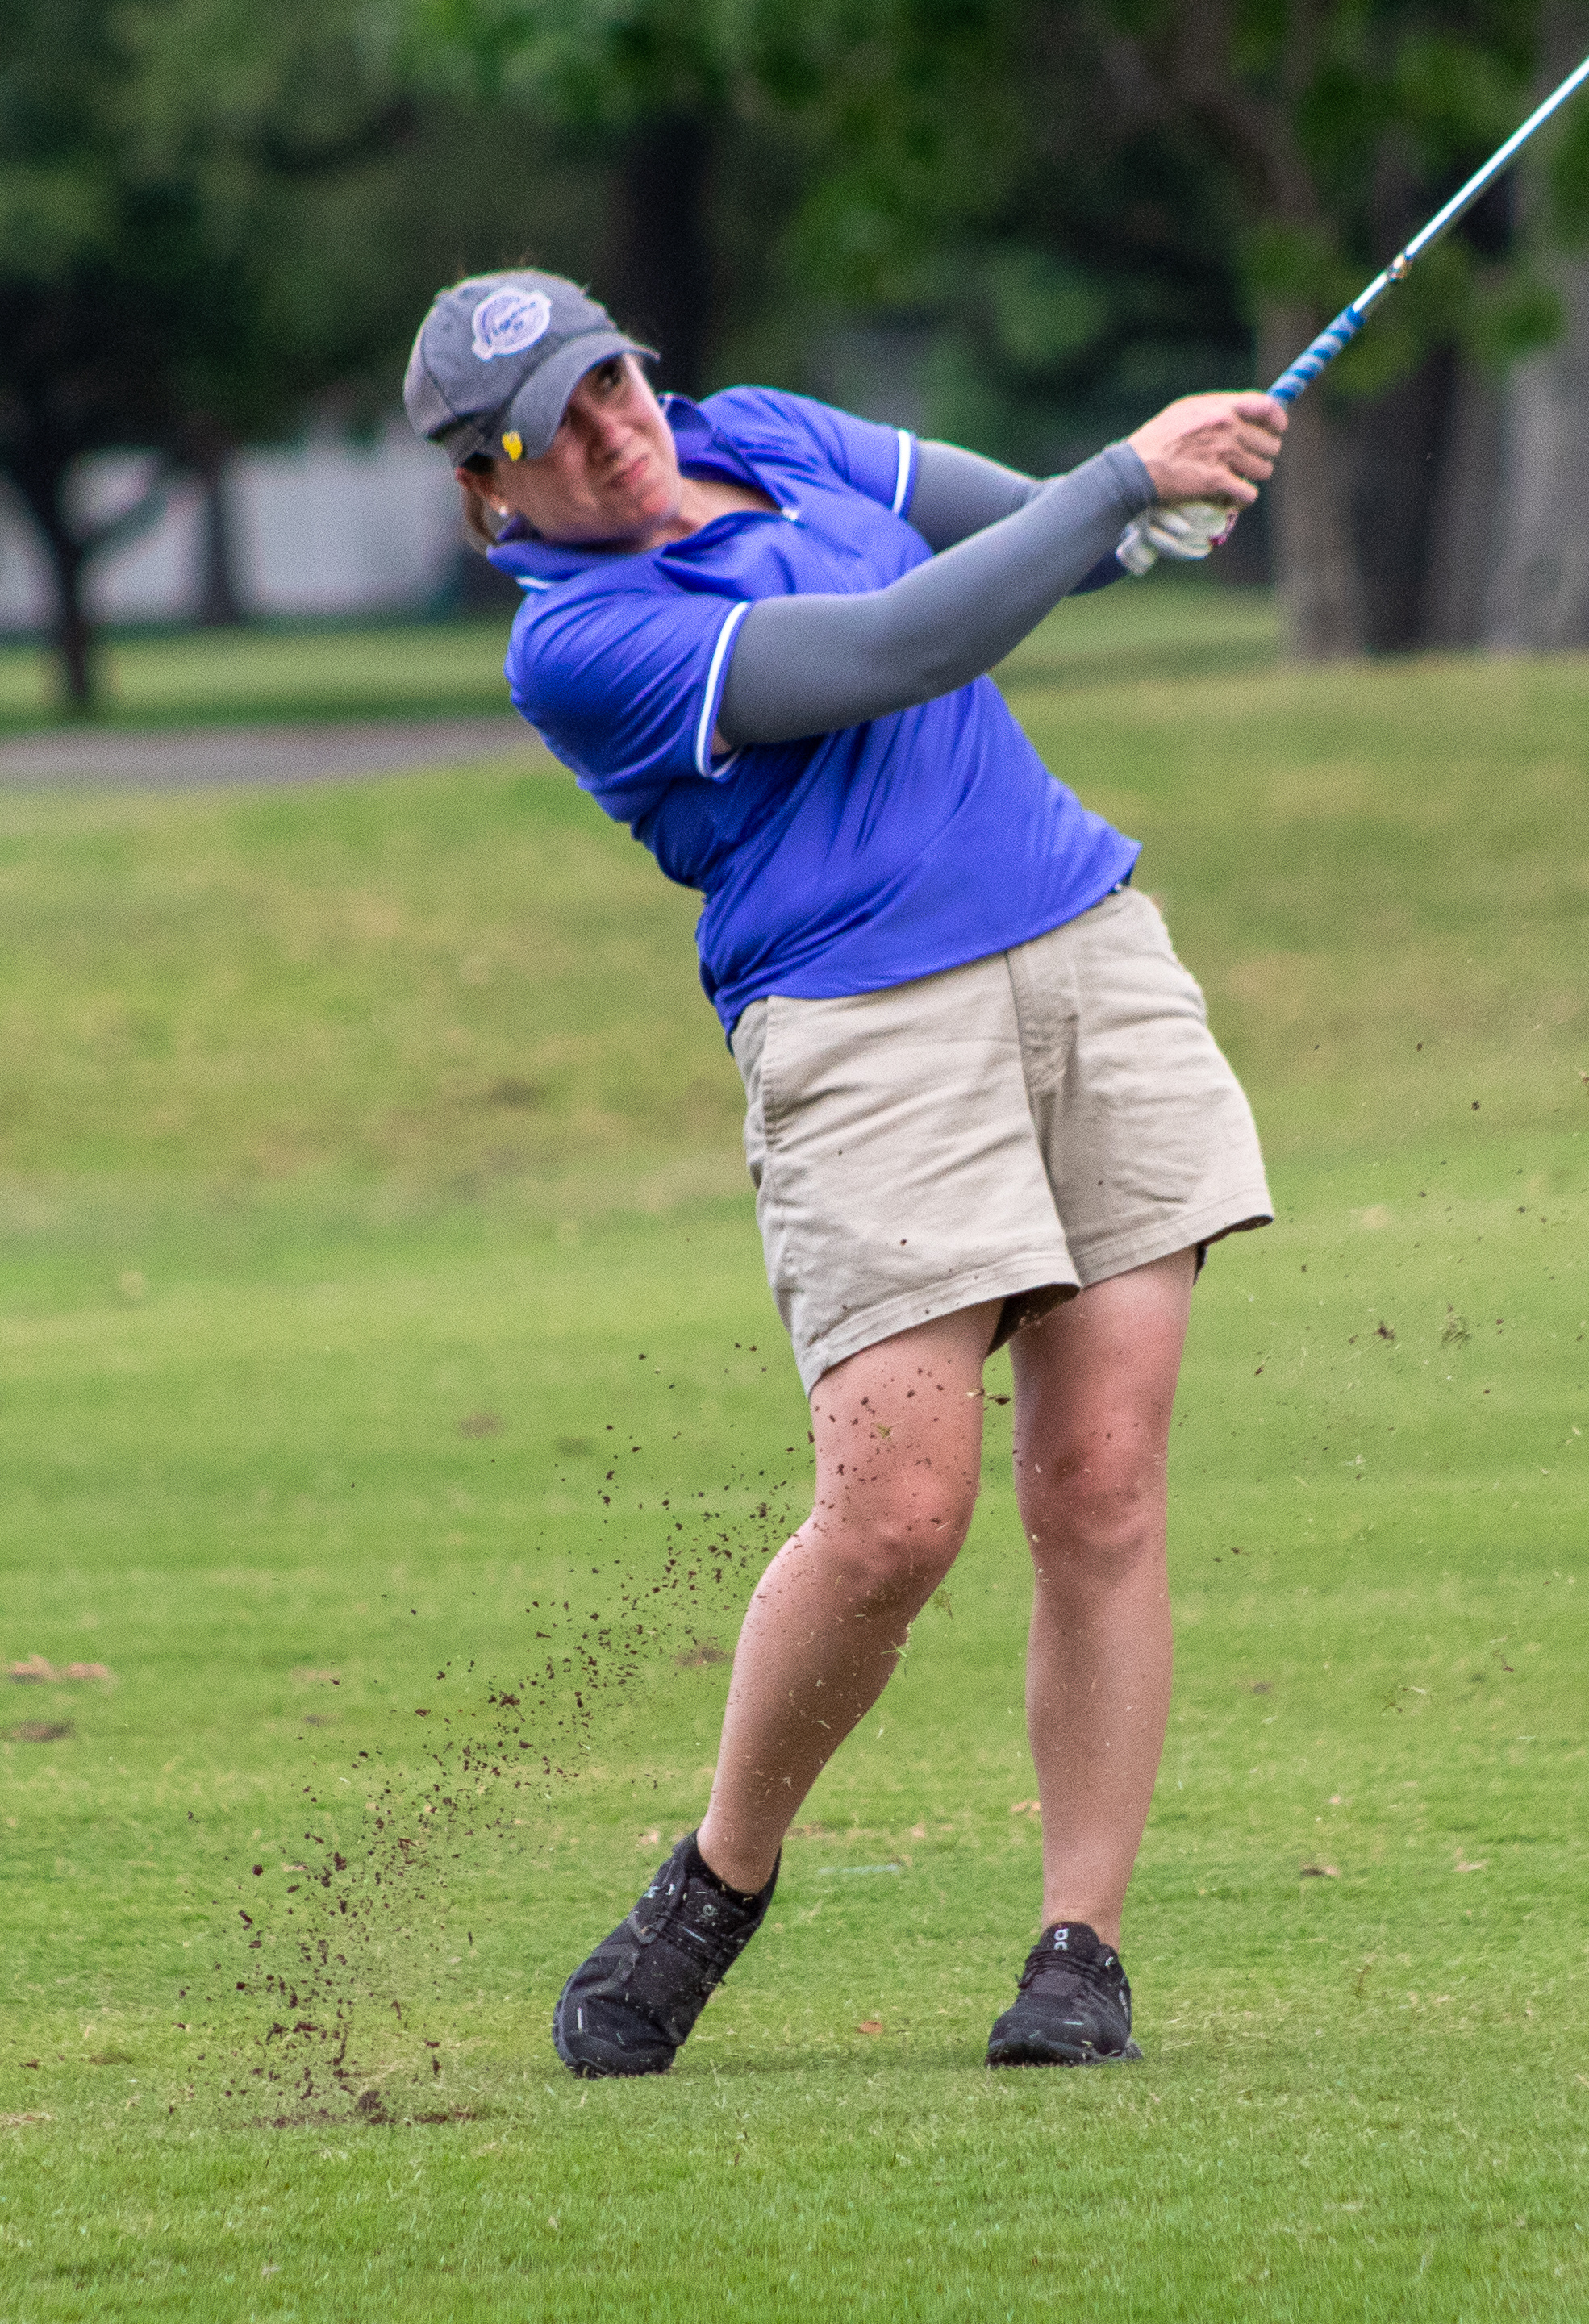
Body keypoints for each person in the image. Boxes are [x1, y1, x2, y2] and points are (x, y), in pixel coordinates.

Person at [403, 269, 1285, 2073]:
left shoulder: (770, 432)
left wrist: (1151, 505)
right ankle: (722, 1876)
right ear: (492, 493)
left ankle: (1079, 1950)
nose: (608, 423)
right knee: (896, 1521)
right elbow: (902, 646)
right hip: (866, 1038)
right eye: (550, 428)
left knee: (1103, 1484)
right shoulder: (577, 642)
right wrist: (1118, 487)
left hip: (1089, 953)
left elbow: (1030, 529)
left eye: (608, 376)